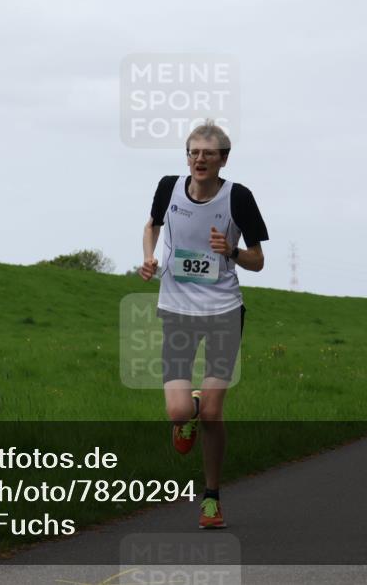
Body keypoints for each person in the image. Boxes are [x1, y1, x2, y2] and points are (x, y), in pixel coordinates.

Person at [138, 120, 268, 530]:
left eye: (208, 154)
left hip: (223, 311)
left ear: (222, 159)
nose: (199, 159)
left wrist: (230, 250)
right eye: (193, 152)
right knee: (179, 411)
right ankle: (189, 408)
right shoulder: (168, 187)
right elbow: (152, 225)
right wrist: (149, 257)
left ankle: (211, 498)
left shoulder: (239, 198)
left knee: (214, 415)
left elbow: (258, 260)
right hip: (177, 309)